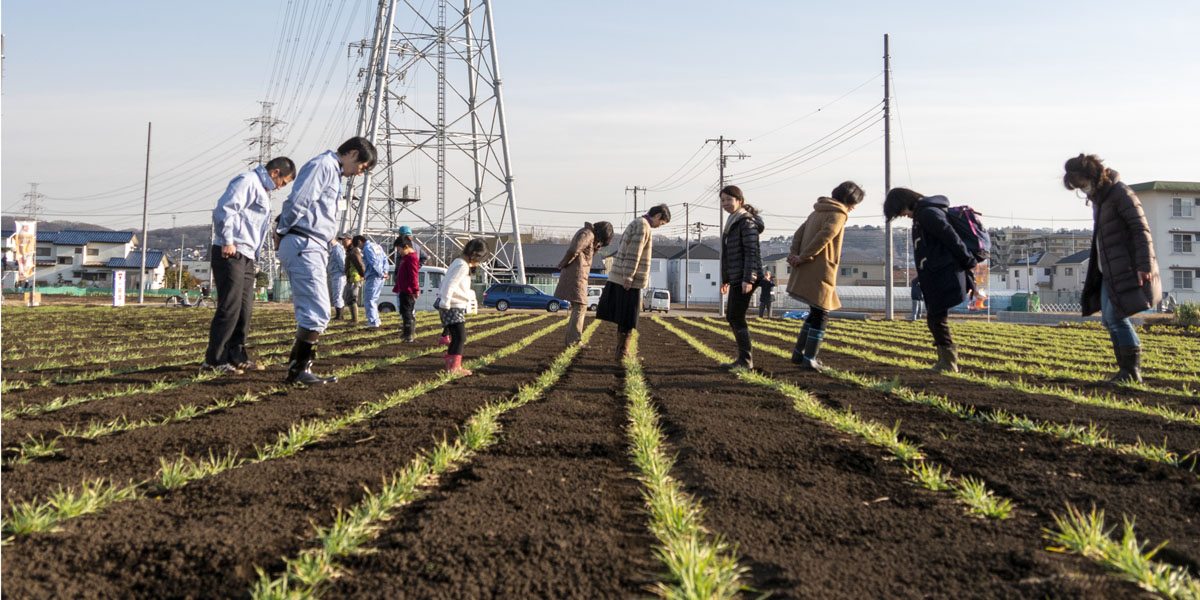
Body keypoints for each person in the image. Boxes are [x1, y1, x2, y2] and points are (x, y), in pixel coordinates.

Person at [274, 136, 377, 385]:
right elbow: (298, 202)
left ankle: (298, 369)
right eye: (362, 167)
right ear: (352, 153)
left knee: (316, 310)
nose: (359, 173)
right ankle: (299, 371)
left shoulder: (333, 172)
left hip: (313, 244)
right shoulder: (323, 166)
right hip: (303, 242)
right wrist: (281, 231)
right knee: (317, 310)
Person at [1063, 153, 1160, 383]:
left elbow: (1140, 230)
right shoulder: (1101, 199)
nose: (1082, 190)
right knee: (1109, 319)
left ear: (1092, 176)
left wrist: (1143, 265)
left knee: (1116, 317)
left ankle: (1132, 371)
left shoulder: (1120, 194)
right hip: (1108, 269)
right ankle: (1126, 371)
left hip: (1125, 268)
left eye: (1082, 184)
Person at [202, 157, 297, 375]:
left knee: (245, 308)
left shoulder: (261, 190)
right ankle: (214, 360)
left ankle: (237, 354)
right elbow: (225, 210)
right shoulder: (247, 181)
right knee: (230, 306)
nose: (281, 187)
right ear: (274, 172)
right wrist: (227, 240)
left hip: (246, 254)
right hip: (231, 250)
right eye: (283, 182)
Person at [884, 186, 978, 373]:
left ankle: (948, 363)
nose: (904, 215)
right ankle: (946, 362)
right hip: (938, 273)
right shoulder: (925, 213)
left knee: (936, 319)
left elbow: (951, 238)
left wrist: (968, 261)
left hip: (944, 274)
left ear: (904, 203)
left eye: (901, 212)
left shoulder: (927, 214)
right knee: (935, 319)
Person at [787, 181, 865, 371]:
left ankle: (799, 354)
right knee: (822, 311)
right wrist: (804, 256)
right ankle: (810, 358)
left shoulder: (817, 211)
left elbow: (799, 233)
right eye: (855, 203)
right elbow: (825, 236)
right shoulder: (838, 214)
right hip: (820, 269)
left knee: (815, 311)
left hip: (805, 266)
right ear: (849, 200)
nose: (854, 207)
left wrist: (795, 254)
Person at [597, 204, 671, 361]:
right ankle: (623, 352)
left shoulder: (638, 223)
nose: (659, 226)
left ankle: (621, 351)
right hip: (628, 280)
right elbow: (633, 253)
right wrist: (629, 276)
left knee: (625, 317)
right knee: (628, 317)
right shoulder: (643, 226)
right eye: (662, 223)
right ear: (657, 216)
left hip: (622, 276)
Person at [718, 185, 765, 369]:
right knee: (733, 316)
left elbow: (751, 252)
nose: (725, 203)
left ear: (740, 201)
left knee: (735, 316)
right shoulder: (733, 221)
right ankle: (744, 359)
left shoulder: (746, 222)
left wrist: (749, 278)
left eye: (729, 199)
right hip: (738, 276)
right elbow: (731, 254)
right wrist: (726, 279)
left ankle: (745, 360)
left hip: (746, 277)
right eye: (723, 200)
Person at [554, 221, 615, 347]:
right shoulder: (588, 234)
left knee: (578, 306)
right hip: (576, 274)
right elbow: (574, 250)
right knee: (580, 306)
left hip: (578, 273)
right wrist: (563, 263)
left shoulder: (588, 234)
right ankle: (574, 341)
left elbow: (583, 253)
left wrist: (595, 248)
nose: (601, 242)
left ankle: (572, 340)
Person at [436, 238, 487, 375]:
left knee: (456, 337)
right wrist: (445, 302)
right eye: (479, 259)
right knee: (460, 337)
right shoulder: (462, 265)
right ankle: (454, 368)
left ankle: (452, 367)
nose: (478, 263)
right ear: (474, 254)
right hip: (452, 305)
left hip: (453, 305)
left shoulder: (459, 263)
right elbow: (450, 284)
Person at [392, 229, 420, 342]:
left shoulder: (412, 259)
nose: (399, 252)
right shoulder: (406, 258)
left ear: (406, 247)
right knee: (404, 311)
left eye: (399, 250)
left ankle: (409, 334)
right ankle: (406, 332)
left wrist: (415, 290)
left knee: (407, 312)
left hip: (408, 291)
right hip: (403, 289)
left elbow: (413, 276)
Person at [362, 235, 388, 329]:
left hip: (373, 276)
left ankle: (373, 321)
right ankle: (376, 319)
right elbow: (385, 259)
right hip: (380, 277)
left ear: (360, 242)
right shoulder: (377, 246)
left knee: (369, 299)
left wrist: (380, 273)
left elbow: (374, 263)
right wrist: (385, 272)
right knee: (374, 298)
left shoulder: (367, 248)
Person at [328, 233, 351, 320]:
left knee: (338, 294)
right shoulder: (335, 249)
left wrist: (344, 272)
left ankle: (340, 315)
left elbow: (341, 263)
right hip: (336, 274)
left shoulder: (337, 249)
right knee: (336, 294)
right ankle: (339, 315)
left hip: (339, 275)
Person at [344, 235, 366, 322]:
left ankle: (355, 319)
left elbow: (359, 264)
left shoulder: (353, 251)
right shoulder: (350, 251)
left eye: (344, 240)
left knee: (352, 298)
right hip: (351, 277)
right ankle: (353, 318)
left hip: (354, 278)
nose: (342, 242)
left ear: (350, 240)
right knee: (349, 297)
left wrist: (363, 275)